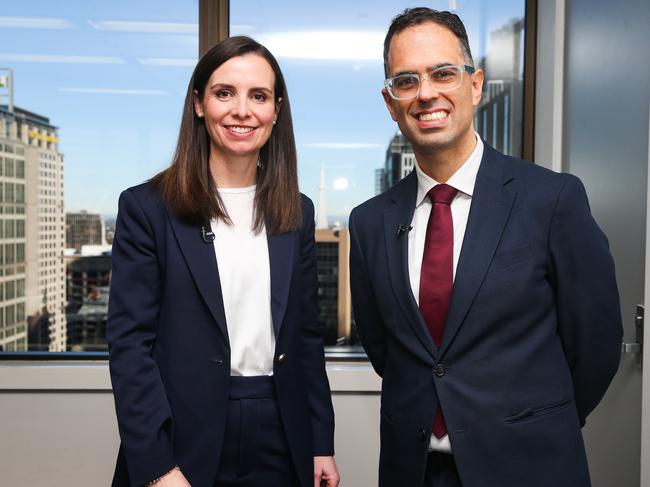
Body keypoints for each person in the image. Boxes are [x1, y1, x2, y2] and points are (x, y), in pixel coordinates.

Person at [349, 8, 622, 487]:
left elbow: (594, 344)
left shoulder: (551, 200)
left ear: (474, 86)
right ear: (391, 104)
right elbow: (383, 348)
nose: (426, 93)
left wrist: (536, 423)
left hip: (530, 467)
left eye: (443, 73)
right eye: (406, 80)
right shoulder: (369, 221)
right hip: (412, 470)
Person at [108, 35, 340, 487]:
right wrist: (156, 467)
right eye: (224, 93)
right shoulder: (147, 208)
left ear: (276, 109)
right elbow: (130, 346)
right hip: (181, 437)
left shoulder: (297, 210)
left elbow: (306, 337)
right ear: (199, 104)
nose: (242, 110)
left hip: (281, 433)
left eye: (258, 96)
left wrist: (320, 441)